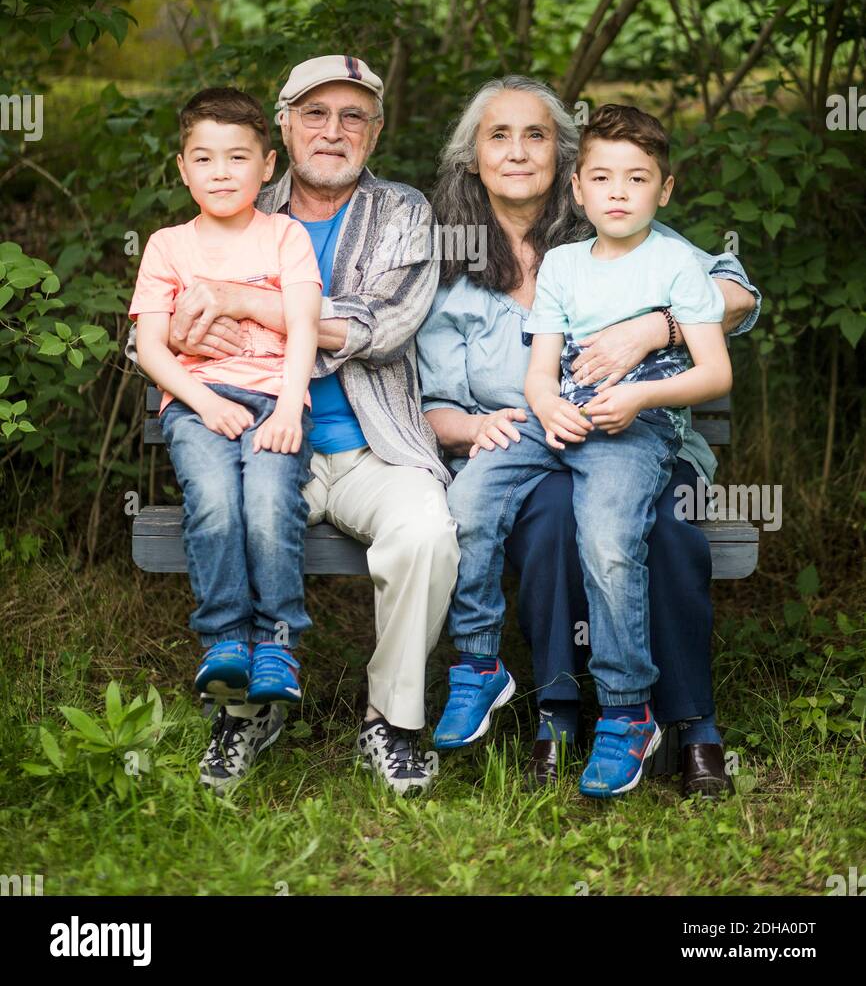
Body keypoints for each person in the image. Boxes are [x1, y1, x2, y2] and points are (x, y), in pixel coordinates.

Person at [417, 76, 761, 796]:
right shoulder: (448, 264)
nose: (516, 152)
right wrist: (483, 425)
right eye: (498, 136)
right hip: (536, 444)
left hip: (638, 435)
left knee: (659, 527)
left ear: (561, 161)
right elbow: (433, 402)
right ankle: (558, 708)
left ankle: (686, 720)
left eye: (535, 134)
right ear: (471, 157)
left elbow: (735, 294)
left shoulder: (613, 222)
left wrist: (654, 329)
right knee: (542, 522)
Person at [129, 55, 459, 794]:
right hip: (260, 442)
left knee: (428, 535)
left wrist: (240, 304)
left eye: (353, 117)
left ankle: (391, 721)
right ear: (283, 126)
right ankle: (244, 712)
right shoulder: (237, 187)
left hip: (374, 447)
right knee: (239, 507)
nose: (333, 131)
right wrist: (187, 326)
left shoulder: (403, 213)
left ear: (375, 132)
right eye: (315, 113)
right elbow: (145, 334)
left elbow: (384, 325)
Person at [129, 87, 322, 715]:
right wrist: (204, 403)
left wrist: (291, 408)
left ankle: (278, 641)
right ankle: (225, 639)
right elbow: (152, 349)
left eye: (237, 158)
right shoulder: (166, 247)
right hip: (196, 404)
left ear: (267, 166)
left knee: (268, 502)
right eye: (204, 159)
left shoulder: (284, 235)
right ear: (182, 169)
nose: (221, 172)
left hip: (274, 402)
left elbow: (304, 325)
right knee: (214, 502)